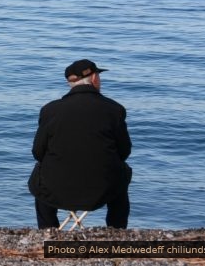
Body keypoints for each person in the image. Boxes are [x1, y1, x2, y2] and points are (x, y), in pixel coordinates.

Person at [28, 59, 132, 229]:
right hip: (102, 191)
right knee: (123, 172)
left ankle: (47, 232)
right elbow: (124, 152)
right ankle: (117, 230)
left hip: (56, 191)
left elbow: (38, 152)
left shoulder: (50, 110)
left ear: (70, 83)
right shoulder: (114, 110)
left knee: (39, 178)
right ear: (94, 79)